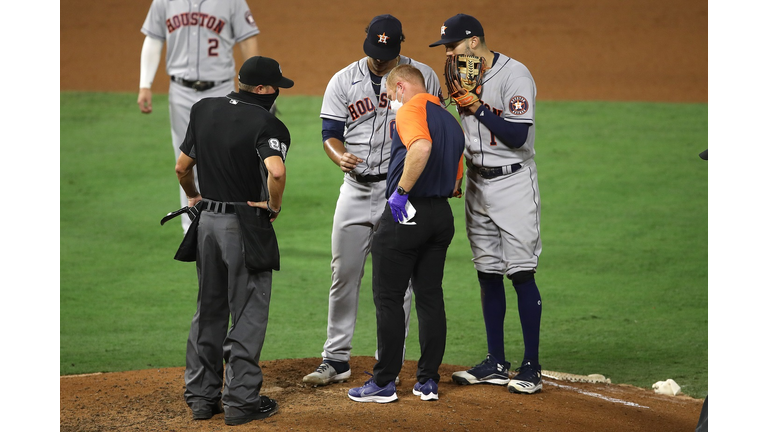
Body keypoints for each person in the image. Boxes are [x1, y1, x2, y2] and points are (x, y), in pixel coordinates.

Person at [303, 14, 444, 387]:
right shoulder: (343, 80)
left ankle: (389, 362)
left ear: (400, 46)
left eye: (387, 53)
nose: (379, 60)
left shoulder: (423, 77)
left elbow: (438, 128)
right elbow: (330, 132)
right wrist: (338, 156)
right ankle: (335, 358)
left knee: (399, 282)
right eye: (374, 52)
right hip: (355, 188)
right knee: (343, 273)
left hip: (399, 192)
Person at [429, 14, 545, 394]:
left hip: (512, 182)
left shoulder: (516, 76)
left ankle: (531, 367)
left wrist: (477, 106)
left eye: (454, 46)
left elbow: (516, 134)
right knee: (487, 272)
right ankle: (496, 362)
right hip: (478, 183)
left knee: (521, 272)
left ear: (475, 41)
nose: (449, 53)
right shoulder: (463, 76)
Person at [174, 56, 293, 425]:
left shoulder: (203, 108)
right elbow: (276, 171)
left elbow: (182, 166)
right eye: (275, 87)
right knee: (247, 314)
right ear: (261, 89)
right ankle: (241, 402)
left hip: (206, 224)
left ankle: (201, 398)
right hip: (244, 225)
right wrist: (273, 206)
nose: (277, 93)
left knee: (208, 311)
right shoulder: (268, 123)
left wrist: (193, 197)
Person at [347, 64, 464, 403]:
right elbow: (457, 180)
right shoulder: (449, 119)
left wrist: (401, 192)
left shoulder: (411, 109)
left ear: (400, 87)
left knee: (388, 298)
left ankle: (383, 382)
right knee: (430, 297)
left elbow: (421, 147)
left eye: (389, 95)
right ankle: (427, 381)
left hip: (406, 213)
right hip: (441, 215)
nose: (390, 102)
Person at [138, 0, 260, 233]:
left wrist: (253, 87)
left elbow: (248, 40)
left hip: (220, 91)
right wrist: (145, 84)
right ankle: (192, 230)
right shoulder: (164, 2)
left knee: (225, 159)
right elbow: (154, 38)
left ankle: (230, 222)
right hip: (180, 93)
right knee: (183, 161)